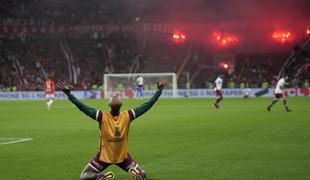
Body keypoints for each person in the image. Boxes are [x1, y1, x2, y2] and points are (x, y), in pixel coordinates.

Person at [56, 77, 168, 180]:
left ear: (109, 105)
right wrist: (159, 91)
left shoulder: (101, 116)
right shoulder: (127, 116)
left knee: (84, 176)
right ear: (121, 106)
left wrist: (68, 94)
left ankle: (99, 176)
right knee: (142, 174)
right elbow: (146, 106)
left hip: (104, 157)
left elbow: (82, 107)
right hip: (123, 157)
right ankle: (137, 173)